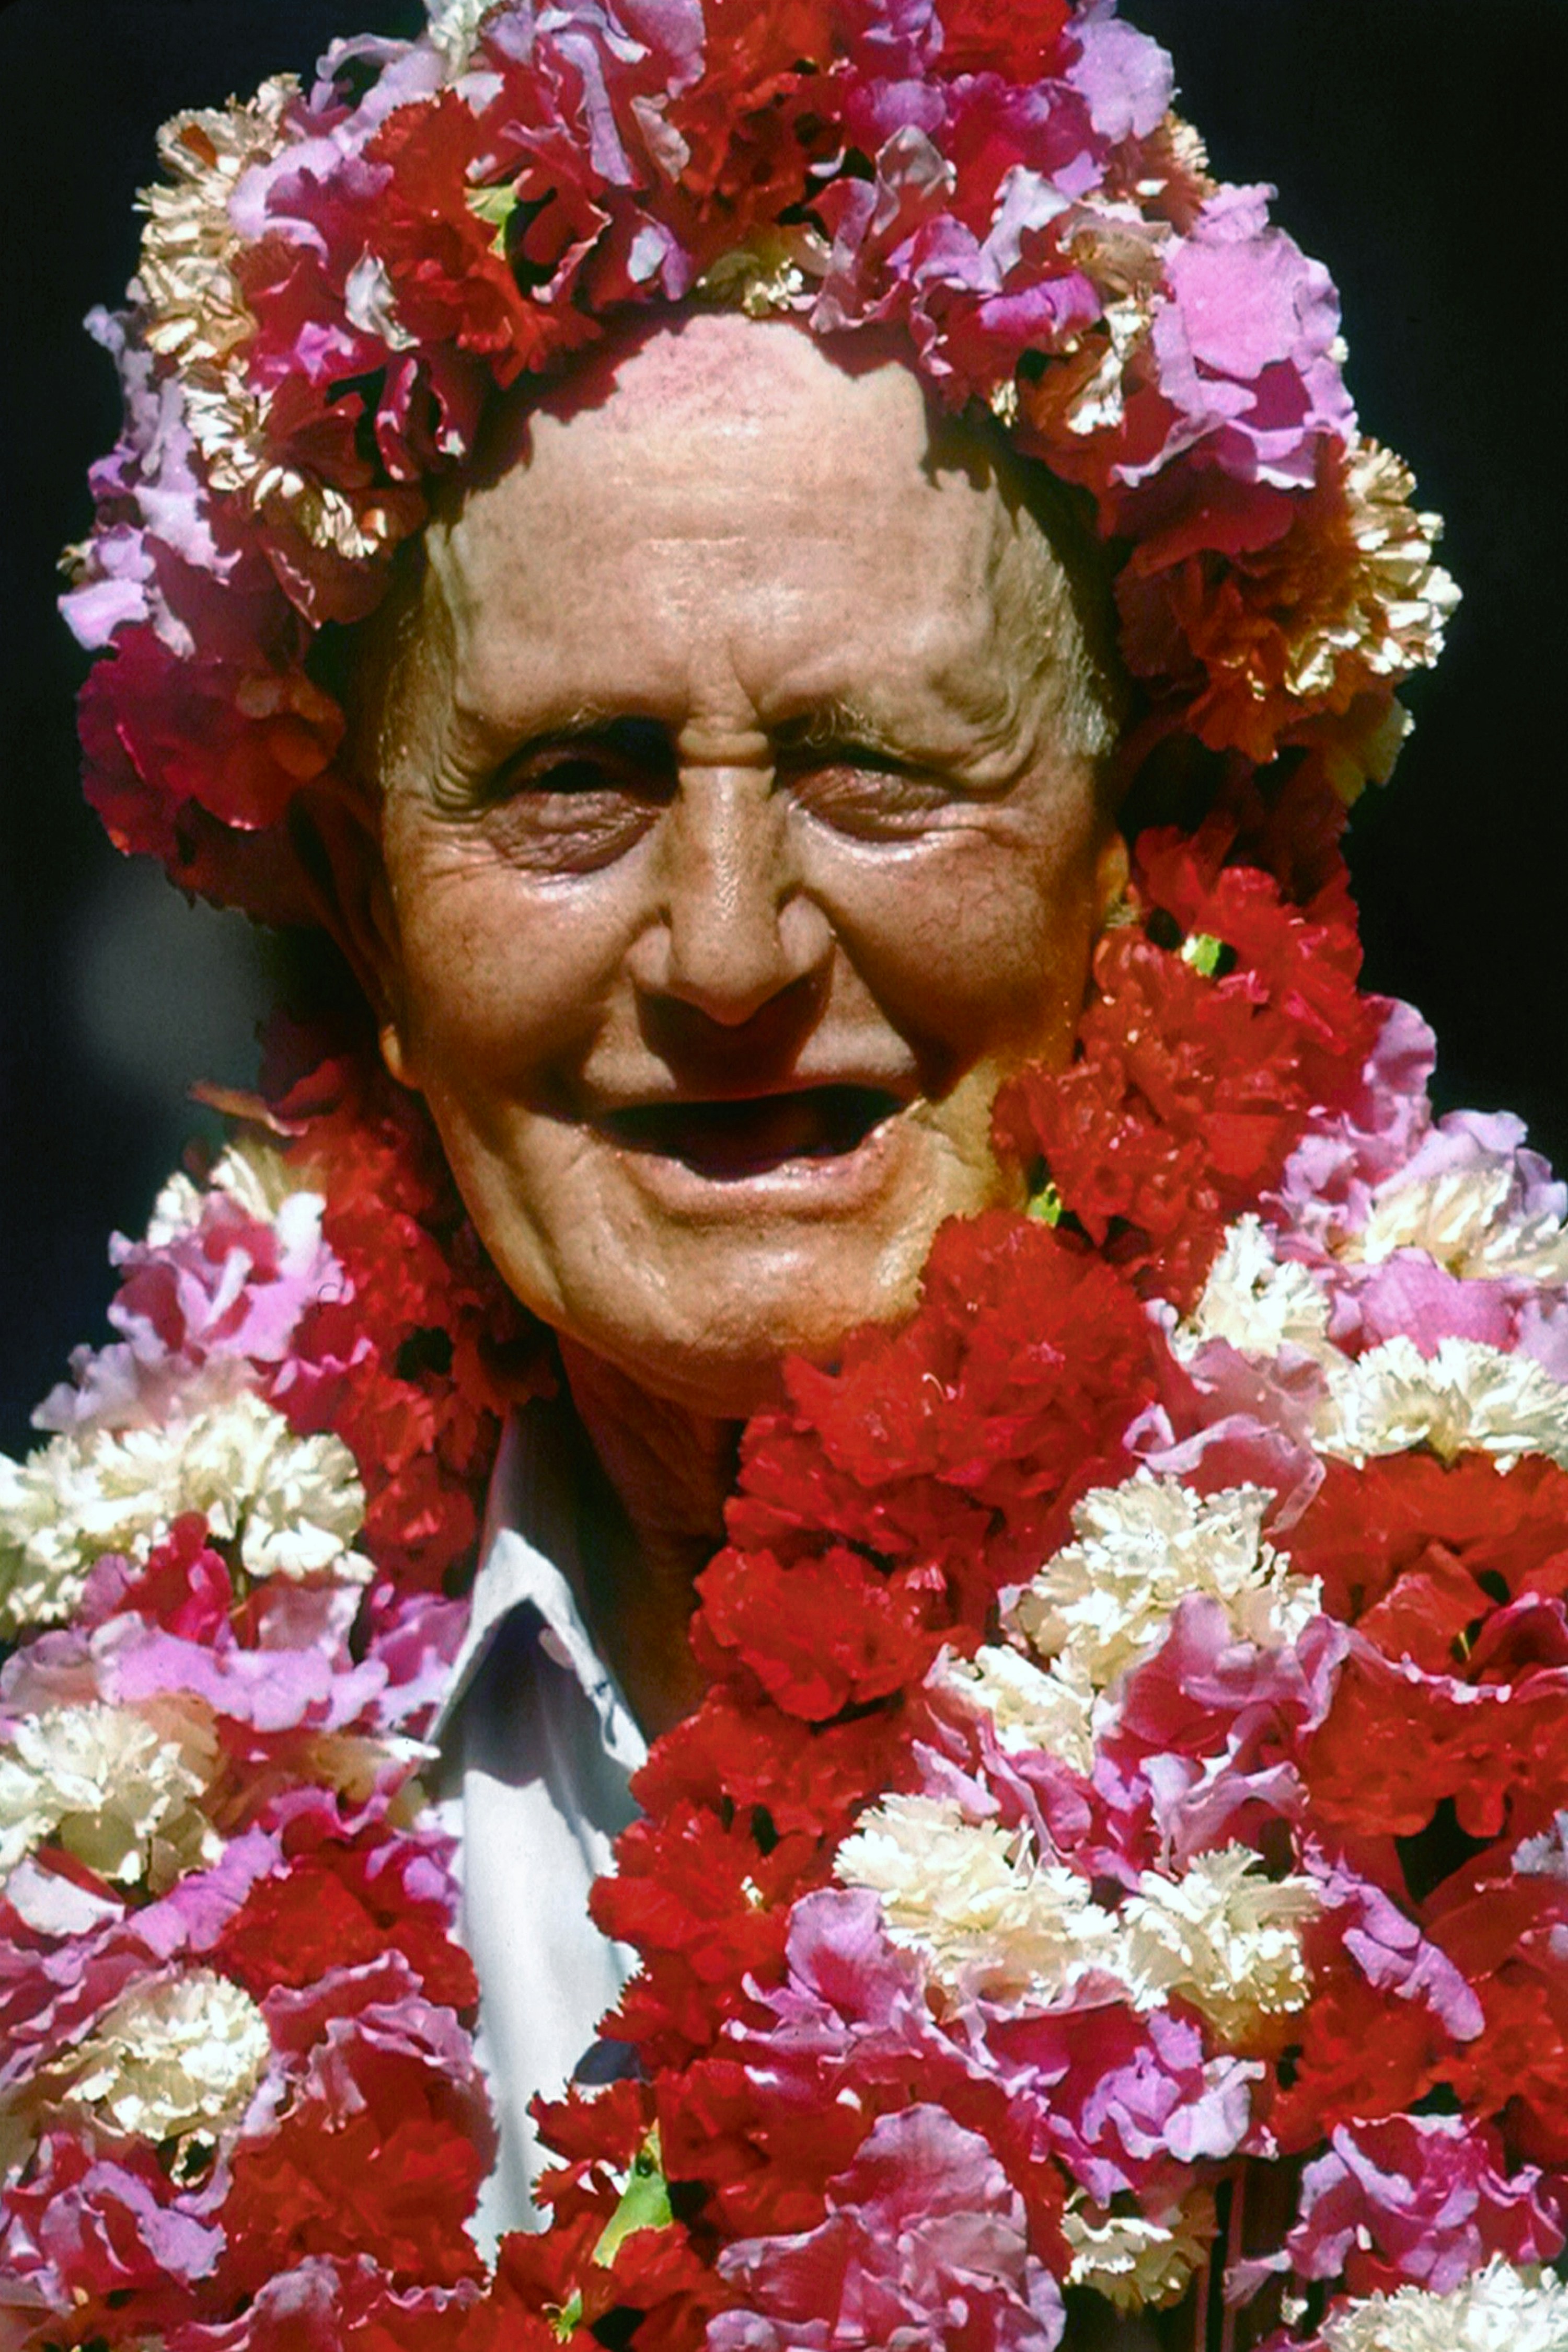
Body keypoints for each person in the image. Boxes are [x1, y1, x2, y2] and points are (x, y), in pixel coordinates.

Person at [4, 5, 1566, 2350]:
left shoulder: (1501, 1679)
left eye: (870, 771)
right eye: (574, 779)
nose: (729, 951)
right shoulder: (96, 1754)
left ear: (1137, 857)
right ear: (368, 920)